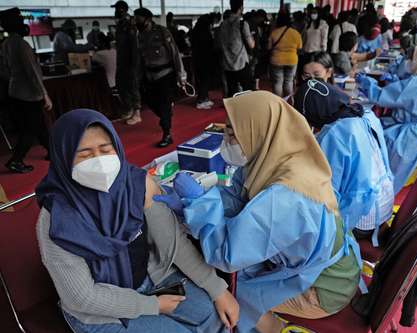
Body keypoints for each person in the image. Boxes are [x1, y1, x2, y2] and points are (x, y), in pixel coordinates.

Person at [154, 91, 361, 333]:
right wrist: (194, 204)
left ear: (259, 131)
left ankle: (276, 329)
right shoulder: (278, 158)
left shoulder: (285, 198)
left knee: (230, 293)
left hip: (323, 288)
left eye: (234, 133)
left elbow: (226, 254)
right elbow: (238, 198)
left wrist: (198, 204)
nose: (226, 139)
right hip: (329, 266)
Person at [35, 109, 239, 333]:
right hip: (101, 311)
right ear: (63, 159)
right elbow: (82, 297)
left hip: (153, 279)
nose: (99, 162)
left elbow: (174, 244)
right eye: (84, 155)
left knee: (213, 314)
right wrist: (152, 305)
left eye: (105, 150)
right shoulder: (57, 220)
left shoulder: (136, 185)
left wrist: (217, 289)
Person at [294, 79, 394, 245]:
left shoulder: (334, 134)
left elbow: (326, 190)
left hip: (360, 219)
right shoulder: (365, 114)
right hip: (383, 206)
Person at [356, 45, 417, 194]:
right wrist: (396, 83)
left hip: (407, 135)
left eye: (413, 59)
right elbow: (405, 96)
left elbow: (382, 97)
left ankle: (373, 195)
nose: (409, 61)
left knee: (375, 150)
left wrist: (367, 84)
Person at [0, 7, 52, 173]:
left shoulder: (6, 44)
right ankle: (16, 160)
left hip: (15, 91)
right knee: (31, 128)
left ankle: (53, 151)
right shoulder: (21, 44)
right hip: (29, 93)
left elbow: (4, 70)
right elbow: (32, 72)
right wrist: (45, 94)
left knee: (39, 126)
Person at [134, 7, 186, 148]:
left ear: (148, 19)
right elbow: (140, 59)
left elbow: (175, 53)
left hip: (165, 74)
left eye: (138, 19)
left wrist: (181, 75)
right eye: (135, 19)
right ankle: (166, 113)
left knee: (163, 104)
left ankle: (167, 134)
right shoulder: (140, 36)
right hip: (149, 76)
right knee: (150, 101)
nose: (136, 22)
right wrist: (138, 77)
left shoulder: (162, 32)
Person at [112, 0, 142, 125]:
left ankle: (137, 113)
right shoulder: (121, 24)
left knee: (132, 86)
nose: (115, 12)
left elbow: (134, 44)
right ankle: (129, 109)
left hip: (130, 61)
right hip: (122, 60)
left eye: (116, 9)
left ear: (122, 9)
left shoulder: (130, 23)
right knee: (121, 85)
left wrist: (135, 64)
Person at [217, 0, 255, 97]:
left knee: (232, 92)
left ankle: (234, 111)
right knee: (248, 90)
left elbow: (219, 44)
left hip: (227, 63)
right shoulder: (242, 24)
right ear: (241, 7)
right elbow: (251, 45)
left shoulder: (222, 25)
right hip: (241, 62)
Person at [268, 11, 302, 97]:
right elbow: (299, 47)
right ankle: (287, 101)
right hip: (292, 60)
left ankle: (279, 101)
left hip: (276, 60)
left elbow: (269, 47)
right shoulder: (296, 33)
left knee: (278, 82)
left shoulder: (274, 32)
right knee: (289, 81)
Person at [191, 14, 216, 109]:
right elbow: (209, 46)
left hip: (197, 59)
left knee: (202, 79)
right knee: (205, 80)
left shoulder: (195, 32)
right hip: (205, 59)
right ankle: (201, 101)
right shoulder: (205, 33)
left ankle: (204, 98)